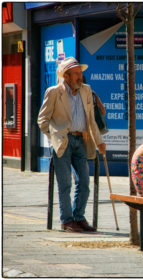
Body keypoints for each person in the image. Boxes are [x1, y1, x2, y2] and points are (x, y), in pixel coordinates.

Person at [38, 57, 106, 233]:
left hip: (80, 140)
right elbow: (42, 120)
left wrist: (99, 142)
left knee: (84, 181)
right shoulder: (54, 92)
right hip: (63, 141)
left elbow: (91, 119)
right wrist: (53, 136)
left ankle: (79, 217)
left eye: (80, 73)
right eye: (76, 74)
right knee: (65, 183)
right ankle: (66, 220)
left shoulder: (86, 90)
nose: (80, 77)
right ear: (66, 76)